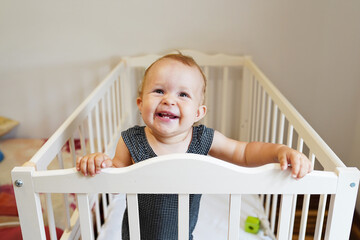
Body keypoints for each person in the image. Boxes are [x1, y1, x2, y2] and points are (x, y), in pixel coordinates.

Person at [76, 53, 313, 239]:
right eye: (159, 91)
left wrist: (279, 151)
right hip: (136, 236)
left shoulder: (203, 140)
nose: (169, 99)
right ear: (140, 103)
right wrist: (99, 163)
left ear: (198, 113)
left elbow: (243, 152)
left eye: (183, 95)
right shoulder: (131, 141)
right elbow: (115, 179)